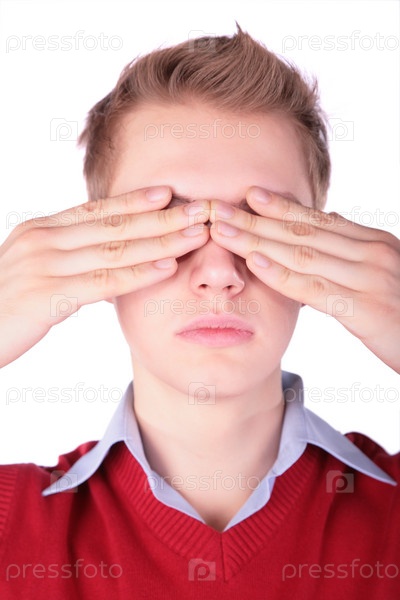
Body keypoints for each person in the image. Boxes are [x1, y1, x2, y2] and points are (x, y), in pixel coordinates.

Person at [0, 24, 399, 598]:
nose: (219, 272)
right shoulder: (15, 528)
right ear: (94, 249)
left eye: (260, 224)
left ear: (324, 248)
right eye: (168, 223)